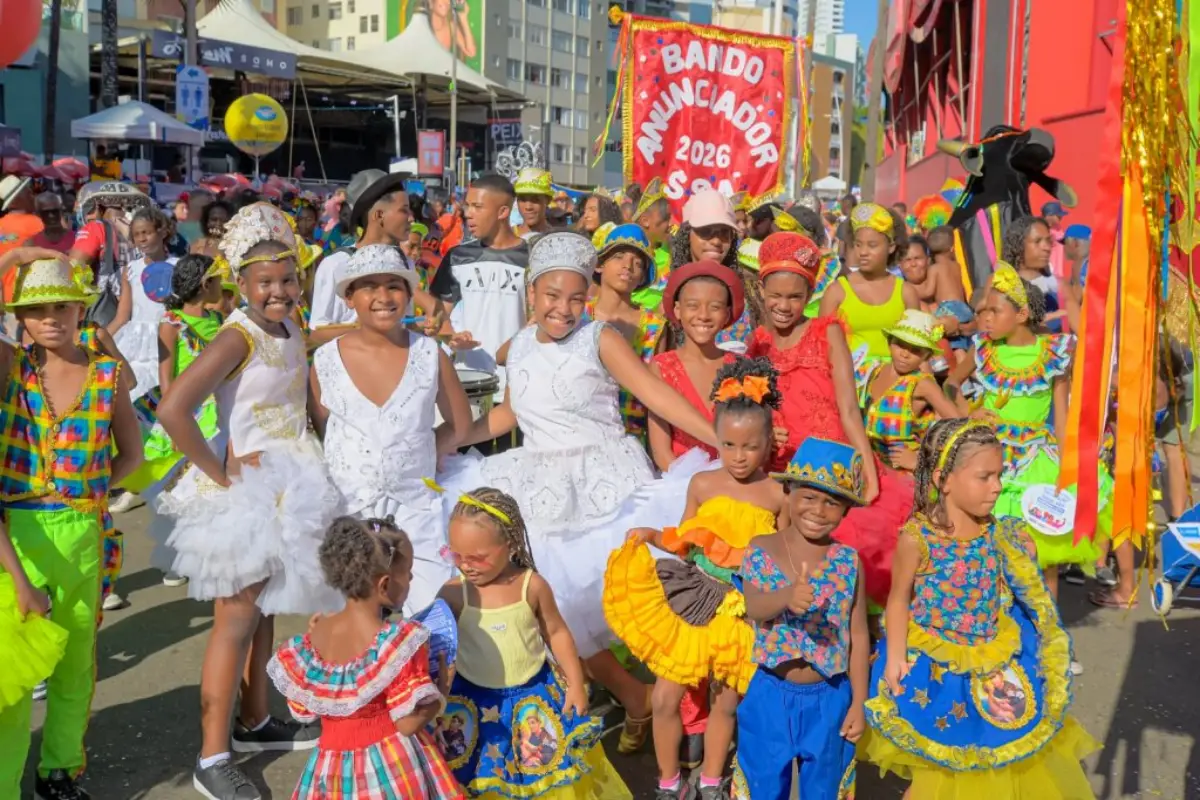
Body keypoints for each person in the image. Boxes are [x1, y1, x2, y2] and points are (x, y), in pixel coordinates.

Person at [436, 231, 718, 755]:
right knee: (555, 609)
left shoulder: (600, 338)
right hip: (540, 489)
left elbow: (654, 393)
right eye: (551, 296)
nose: (563, 309)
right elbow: (510, 413)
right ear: (531, 293)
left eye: (575, 297)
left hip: (606, 486)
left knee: (641, 604)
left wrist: (719, 438)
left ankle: (684, 714)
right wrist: (448, 439)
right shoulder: (520, 345)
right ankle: (634, 696)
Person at [156, 204, 344, 800]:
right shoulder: (237, 335)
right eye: (265, 281)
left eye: (288, 279)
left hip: (293, 484)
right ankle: (212, 757)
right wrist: (220, 472)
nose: (278, 291)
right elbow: (173, 410)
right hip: (248, 492)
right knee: (235, 620)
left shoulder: (289, 327)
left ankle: (256, 719)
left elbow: (301, 371)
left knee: (266, 608)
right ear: (240, 283)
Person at [859, 419, 1098, 799]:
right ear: (943, 480)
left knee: (997, 759)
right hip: (937, 669)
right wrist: (896, 658)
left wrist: (1025, 558)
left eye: (999, 475)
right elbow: (899, 598)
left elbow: (1023, 595)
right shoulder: (917, 539)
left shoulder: (1002, 534)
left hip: (996, 663)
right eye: (984, 477)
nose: (998, 486)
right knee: (941, 770)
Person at [606, 358, 785, 799]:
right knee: (665, 698)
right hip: (692, 597)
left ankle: (710, 780)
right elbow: (685, 541)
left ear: (768, 443)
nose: (738, 456)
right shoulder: (703, 484)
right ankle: (669, 783)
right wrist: (651, 535)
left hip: (740, 608)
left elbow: (783, 556)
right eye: (728, 445)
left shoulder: (778, 493)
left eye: (750, 446)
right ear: (716, 439)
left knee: (726, 701)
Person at [0, 252, 143, 800]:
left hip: (83, 532)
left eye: (61, 306)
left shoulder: (107, 375)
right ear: (19, 318)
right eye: (36, 310)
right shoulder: (12, 367)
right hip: (18, 535)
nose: (50, 318)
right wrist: (15, 257)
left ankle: (58, 771)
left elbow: (131, 453)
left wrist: (87, 489)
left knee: (74, 663)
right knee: (14, 672)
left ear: (81, 308)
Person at [747, 231, 913, 610]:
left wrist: (868, 470)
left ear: (810, 295)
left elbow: (849, 408)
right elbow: (757, 407)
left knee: (846, 553)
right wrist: (768, 430)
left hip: (834, 465)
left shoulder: (827, 332)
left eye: (795, 297)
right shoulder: (757, 344)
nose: (784, 305)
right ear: (761, 290)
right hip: (784, 466)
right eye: (776, 296)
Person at [436, 489, 631, 798]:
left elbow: (556, 632)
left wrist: (576, 683)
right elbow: (439, 648)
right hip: (475, 704)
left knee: (545, 774)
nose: (466, 566)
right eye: (456, 556)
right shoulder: (452, 594)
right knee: (487, 778)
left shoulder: (531, 586)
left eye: (478, 558)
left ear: (510, 544)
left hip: (534, 697)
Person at [311, 245, 472, 614]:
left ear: (409, 294)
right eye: (369, 286)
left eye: (394, 286)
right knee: (352, 611)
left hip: (415, 503)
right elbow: (325, 427)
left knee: (432, 609)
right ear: (349, 298)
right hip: (349, 505)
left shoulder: (430, 354)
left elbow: (460, 425)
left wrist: (421, 451)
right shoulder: (326, 359)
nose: (383, 297)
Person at [949, 266, 1111, 626]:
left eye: (995, 311)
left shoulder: (1053, 352)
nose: (985, 318)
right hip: (988, 457)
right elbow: (951, 384)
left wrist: (1070, 467)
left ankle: (1046, 631)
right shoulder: (982, 349)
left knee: (1041, 554)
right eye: (983, 311)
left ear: (1021, 314)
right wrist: (969, 411)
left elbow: (1062, 416)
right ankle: (995, 627)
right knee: (990, 546)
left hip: (1036, 460)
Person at [268, 516, 462, 799]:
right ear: (384, 585)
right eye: (408, 572)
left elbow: (304, 711)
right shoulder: (400, 643)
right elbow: (407, 724)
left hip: (331, 772)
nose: (410, 579)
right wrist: (440, 691)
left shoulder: (313, 638)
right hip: (392, 769)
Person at [731, 437, 869, 800]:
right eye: (808, 497)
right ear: (788, 492)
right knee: (760, 786)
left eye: (832, 502)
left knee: (826, 789)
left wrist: (858, 702)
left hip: (831, 697)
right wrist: (786, 598)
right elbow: (754, 608)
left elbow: (858, 636)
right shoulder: (761, 548)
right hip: (770, 693)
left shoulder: (848, 561)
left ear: (846, 511)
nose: (818, 510)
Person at [138, 254, 226, 587]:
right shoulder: (171, 324)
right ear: (205, 284)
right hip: (188, 414)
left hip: (218, 412)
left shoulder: (219, 319)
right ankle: (179, 555)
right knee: (181, 489)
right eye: (218, 280)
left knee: (213, 486)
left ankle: (211, 554)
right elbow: (166, 378)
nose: (223, 286)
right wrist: (174, 423)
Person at [430, 174, 531, 430]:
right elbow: (438, 317)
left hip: (516, 388)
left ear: (503, 212)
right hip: (468, 384)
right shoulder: (458, 256)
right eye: (467, 206)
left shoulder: (533, 258)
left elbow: (537, 320)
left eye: (477, 206)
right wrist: (450, 337)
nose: (468, 214)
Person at [308, 170, 443, 350]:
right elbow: (317, 333)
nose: (411, 218)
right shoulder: (335, 265)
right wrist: (368, 329)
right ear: (379, 215)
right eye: (404, 210)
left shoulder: (404, 263)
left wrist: (427, 328)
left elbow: (405, 324)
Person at [647, 261, 745, 471]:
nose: (704, 315)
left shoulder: (741, 367)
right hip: (679, 481)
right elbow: (662, 453)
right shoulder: (662, 367)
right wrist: (694, 485)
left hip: (733, 478)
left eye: (715, 307)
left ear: (727, 314)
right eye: (693, 306)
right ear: (678, 310)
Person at [585, 223, 665, 442]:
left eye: (638, 263)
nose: (628, 266)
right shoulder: (579, 314)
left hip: (632, 439)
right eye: (618, 256)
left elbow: (658, 390)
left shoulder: (654, 326)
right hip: (581, 434)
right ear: (599, 265)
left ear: (642, 277)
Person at [854, 309, 960, 471]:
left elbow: (960, 427)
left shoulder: (921, 384)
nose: (905, 354)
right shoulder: (871, 371)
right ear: (889, 342)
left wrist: (922, 461)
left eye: (916, 349)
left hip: (904, 476)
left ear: (926, 356)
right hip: (869, 470)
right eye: (900, 344)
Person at [818, 202, 919, 360]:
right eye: (858, 245)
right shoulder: (837, 292)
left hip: (895, 374)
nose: (863, 252)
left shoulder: (906, 292)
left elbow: (916, 348)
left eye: (872, 245)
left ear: (891, 246)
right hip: (848, 373)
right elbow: (821, 345)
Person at [669, 192, 757, 349]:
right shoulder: (669, 298)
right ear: (686, 235)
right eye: (706, 231)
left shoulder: (750, 292)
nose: (716, 241)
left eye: (724, 233)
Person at [112, 206, 177, 399]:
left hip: (168, 335)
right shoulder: (131, 270)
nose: (142, 239)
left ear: (162, 232)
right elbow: (122, 316)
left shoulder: (178, 266)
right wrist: (99, 339)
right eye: (137, 235)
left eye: (147, 232)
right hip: (136, 342)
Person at [631, 179, 673, 310]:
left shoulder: (671, 252)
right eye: (666, 219)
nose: (671, 224)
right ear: (645, 221)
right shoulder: (626, 254)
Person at [513, 167, 555, 239]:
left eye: (535, 200)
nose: (528, 207)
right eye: (522, 199)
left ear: (548, 200)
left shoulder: (558, 239)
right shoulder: (507, 236)